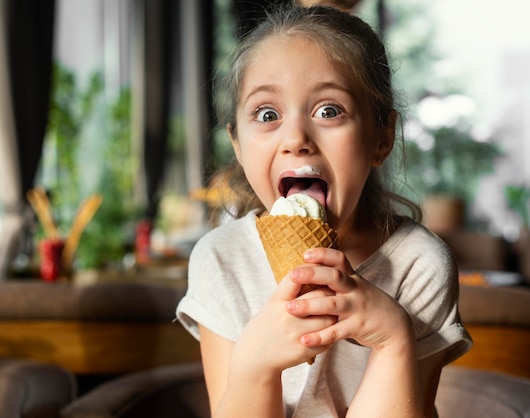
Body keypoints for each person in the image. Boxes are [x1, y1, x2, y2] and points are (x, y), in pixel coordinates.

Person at [176, 4, 472, 417]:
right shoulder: (222, 260)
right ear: (238, 146)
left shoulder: (419, 265)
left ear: (382, 137)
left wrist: (394, 340)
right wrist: (253, 367)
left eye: (329, 110)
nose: (296, 138)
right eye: (267, 114)